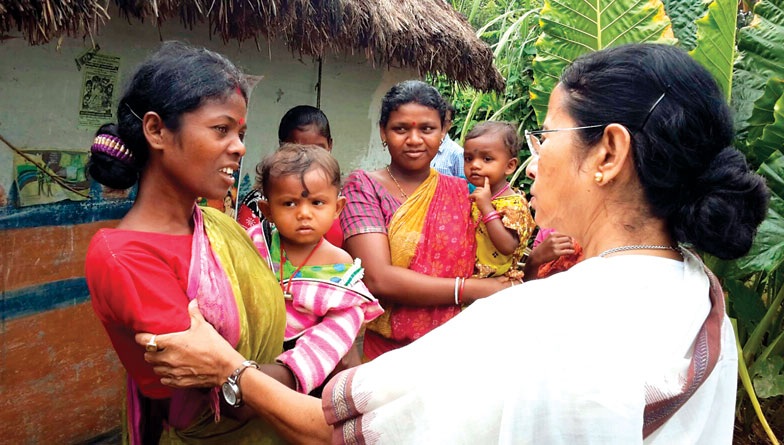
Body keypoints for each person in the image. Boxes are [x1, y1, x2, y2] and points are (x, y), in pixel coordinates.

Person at [138, 43, 769, 444]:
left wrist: (228, 368)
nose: (533, 158)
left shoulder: (541, 320)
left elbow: (332, 432)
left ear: (607, 152)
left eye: (545, 136)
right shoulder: (696, 288)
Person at [84, 41, 291, 444]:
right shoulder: (126, 256)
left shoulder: (216, 224)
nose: (240, 146)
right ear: (157, 130)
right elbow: (224, 397)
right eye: (221, 129)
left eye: (241, 132)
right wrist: (311, 360)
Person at [339, 80, 509, 359]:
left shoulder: (463, 192)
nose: (415, 139)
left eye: (427, 129)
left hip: (456, 348)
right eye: (400, 129)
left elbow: (495, 259)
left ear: (443, 132)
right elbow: (378, 278)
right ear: (383, 132)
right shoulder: (363, 188)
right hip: (387, 355)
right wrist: (469, 289)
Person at [246, 143, 383, 395]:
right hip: (246, 353)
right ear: (268, 211)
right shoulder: (256, 243)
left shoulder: (339, 266)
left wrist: (291, 372)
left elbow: (337, 332)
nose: (304, 213)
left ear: (337, 208)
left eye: (317, 202)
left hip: (303, 375)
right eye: (289, 203)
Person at [237, 105, 343, 246]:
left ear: (330, 145)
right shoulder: (257, 201)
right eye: (289, 203)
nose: (308, 157)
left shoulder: (340, 197)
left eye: (317, 149)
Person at [463, 121, 536, 279]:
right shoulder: (472, 194)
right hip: (469, 279)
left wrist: (487, 209)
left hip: (496, 285)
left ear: (510, 166)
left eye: (487, 159)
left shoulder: (513, 204)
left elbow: (507, 246)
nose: (475, 165)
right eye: (468, 158)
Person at [430, 102, 465, 178]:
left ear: (450, 124)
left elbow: (463, 185)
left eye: (444, 121)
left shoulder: (457, 153)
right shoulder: (421, 148)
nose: (439, 125)